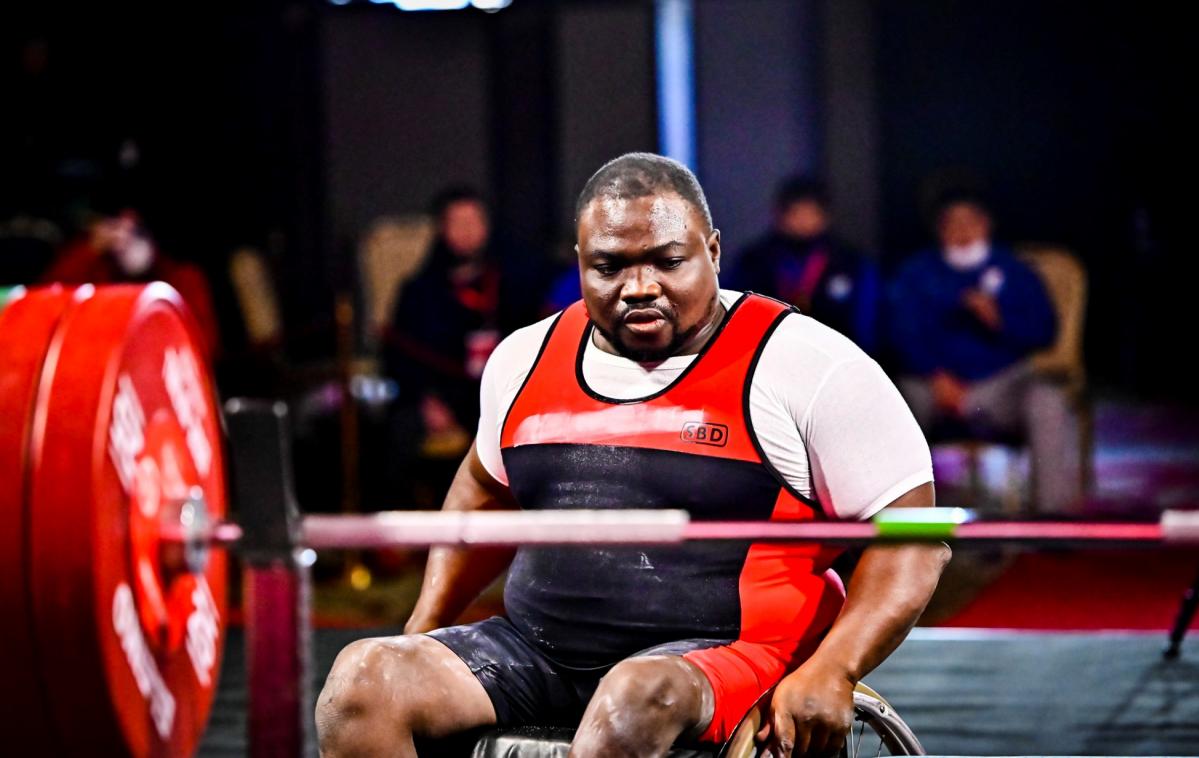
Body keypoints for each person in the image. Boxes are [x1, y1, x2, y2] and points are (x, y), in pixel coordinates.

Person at [318, 154, 949, 757]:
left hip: (727, 657)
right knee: (362, 684)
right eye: (611, 266)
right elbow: (482, 492)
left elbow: (915, 537)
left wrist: (834, 670)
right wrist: (422, 630)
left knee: (631, 697)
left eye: (667, 262)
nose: (639, 287)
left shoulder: (810, 365)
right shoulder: (525, 358)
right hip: (540, 652)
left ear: (714, 252)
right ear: (580, 263)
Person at [887, 190, 1077, 512]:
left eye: (970, 223)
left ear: (986, 225)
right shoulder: (916, 273)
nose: (962, 233)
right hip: (935, 389)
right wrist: (934, 376)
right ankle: (896, 514)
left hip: (999, 389)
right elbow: (897, 333)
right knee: (898, 401)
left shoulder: (1015, 271)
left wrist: (1000, 319)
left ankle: (1052, 517)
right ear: (939, 230)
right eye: (952, 224)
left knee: (1047, 399)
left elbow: (1045, 332)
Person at [42, 205, 221, 359]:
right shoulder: (100, 275)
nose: (125, 232)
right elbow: (51, 298)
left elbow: (204, 346)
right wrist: (91, 250)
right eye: (117, 225)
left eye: (133, 228)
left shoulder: (183, 278)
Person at [727, 177, 881, 355]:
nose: (803, 221)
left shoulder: (849, 262)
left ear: (825, 216)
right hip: (767, 354)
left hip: (833, 355)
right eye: (796, 213)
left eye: (811, 213)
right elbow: (735, 312)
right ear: (780, 215)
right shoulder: (755, 260)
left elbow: (866, 325)